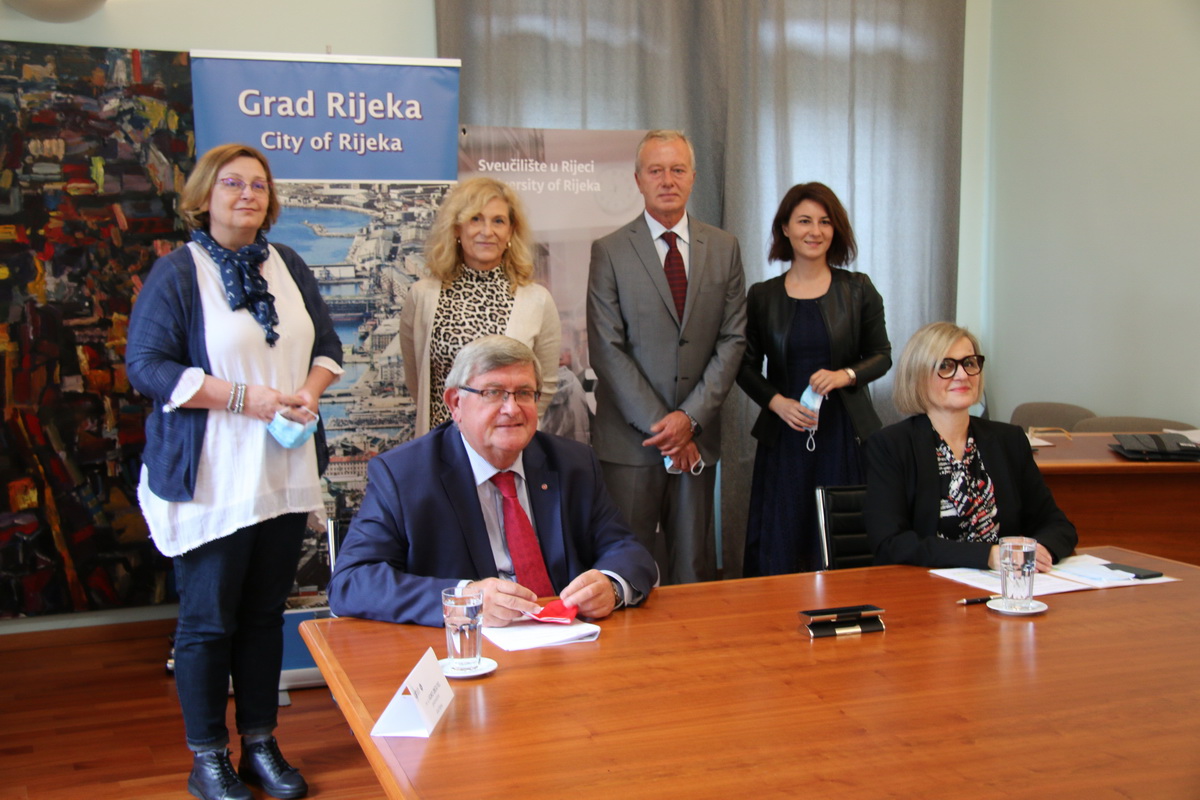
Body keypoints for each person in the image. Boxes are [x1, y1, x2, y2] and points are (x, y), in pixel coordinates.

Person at [127, 144, 343, 800]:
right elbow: (147, 366)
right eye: (232, 183)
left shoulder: (289, 264)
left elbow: (328, 346)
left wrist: (307, 393)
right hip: (214, 479)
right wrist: (244, 398)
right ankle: (207, 758)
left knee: (262, 616)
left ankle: (260, 743)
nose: (247, 194)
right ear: (205, 196)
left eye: (258, 185)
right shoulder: (178, 272)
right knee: (207, 622)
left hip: (283, 472)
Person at [328, 336, 657, 628]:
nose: (511, 409)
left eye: (524, 393)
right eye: (493, 393)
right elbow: (350, 583)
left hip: (567, 642)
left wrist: (611, 586)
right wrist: (464, 599)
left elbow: (627, 550)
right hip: (465, 651)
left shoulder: (573, 463)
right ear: (456, 403)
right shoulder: (404, 475)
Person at [586, 130, 747, 584]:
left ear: (693, 177)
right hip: (631, 444)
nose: (667, 180)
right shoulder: (609, 251)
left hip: (697, 438)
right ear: (638, 179)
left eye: (677, 169)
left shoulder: (724, 248)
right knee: (626, 569)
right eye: (655, 170)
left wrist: (689, 419)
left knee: (693, 569)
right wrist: (668, 428)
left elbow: (733, 339)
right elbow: (607, 348)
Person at [737, 182, 891, 576]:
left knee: (842, 538)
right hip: (785, 434)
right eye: (804, 221)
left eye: (825, 222)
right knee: (783, 535)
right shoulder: (763, 296)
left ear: (835, 229)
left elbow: (882, 355)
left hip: (844, 434)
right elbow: (744, 366)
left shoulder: (858, 289)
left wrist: (845, 375)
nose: (815, 231)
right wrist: (777, 403)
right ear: (785, 228)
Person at [864, 322, 1077, 569]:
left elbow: (1057, 525)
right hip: (926, 585)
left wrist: (1041, 550)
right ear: (918, 376)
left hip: (1001, 583)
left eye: (969, 363)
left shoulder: (1009, 440)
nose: (963, 375)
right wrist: (987, 556)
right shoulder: (890, 445)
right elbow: (890, 543)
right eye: (946, 366)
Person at [400, 176, 560, 437]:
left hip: (508, 445)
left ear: (511, 231)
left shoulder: (537, 300)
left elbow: (545, 387)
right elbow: (416, 379)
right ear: (457, 228)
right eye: (476, 219)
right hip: (441, 445)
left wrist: (510, 427)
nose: (487, 231)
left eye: (498, 221)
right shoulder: (422, 297)